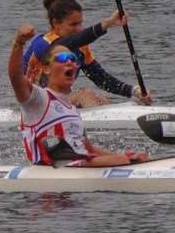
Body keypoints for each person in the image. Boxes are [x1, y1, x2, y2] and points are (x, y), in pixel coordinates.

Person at [10, 24, 149, 167]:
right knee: (123, 161)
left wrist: (128, 155)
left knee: (137, 157)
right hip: (53, 168)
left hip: (79, 164)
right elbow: (15, 78)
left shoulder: (72, 109)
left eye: (72, 57)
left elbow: (90, 150)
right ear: (46, 69)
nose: (69, 61)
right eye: (62, 58)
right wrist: (18, 43)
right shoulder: (39, 98)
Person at [20, 0, 151, 108]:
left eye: (80, 24)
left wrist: (134, 90)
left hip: (56, 102)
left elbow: (101, 78)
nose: (78, 29)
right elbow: (78, 39)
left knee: (102, 101)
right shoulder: (45, 44)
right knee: (85, 95)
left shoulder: (80, 49)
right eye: (73, 24)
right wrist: (108, 22)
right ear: (56, 24)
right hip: (34, 104)